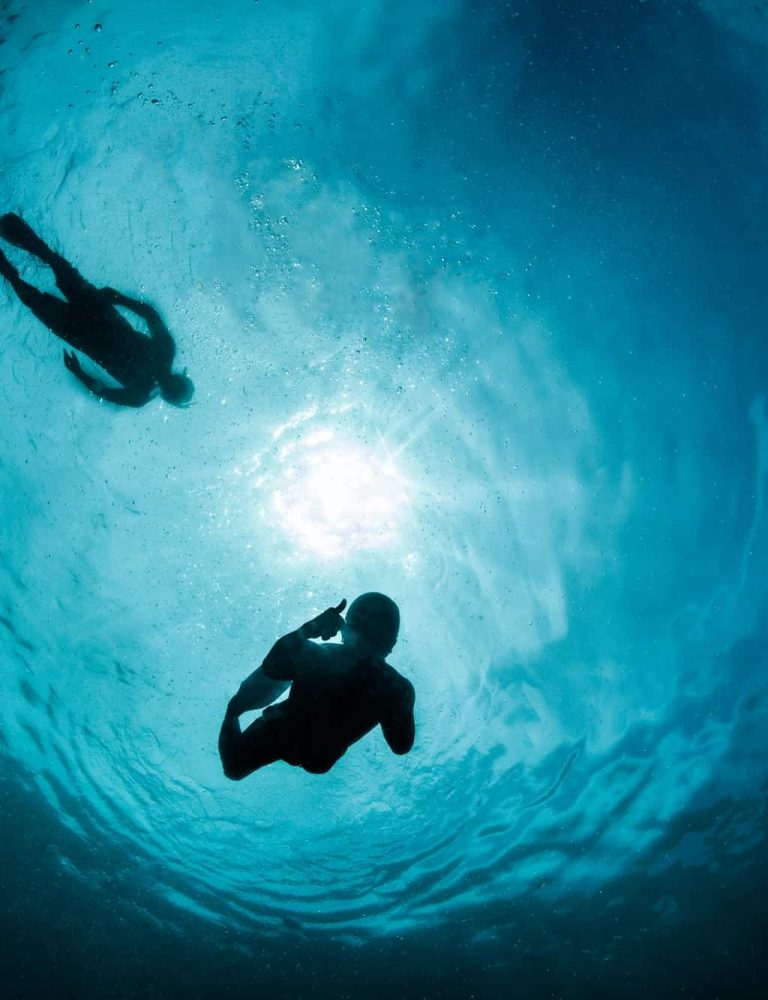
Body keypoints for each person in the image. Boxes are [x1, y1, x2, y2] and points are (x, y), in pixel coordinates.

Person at [0, 212, 193, 407]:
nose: (169, 384)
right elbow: (150, 314)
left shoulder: (141, 394)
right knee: (57, 266)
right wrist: (120, 299)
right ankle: (10, 236)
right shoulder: (165, 352)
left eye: (171, 390)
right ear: (179, 378)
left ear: (167, 395)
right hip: (97, 312)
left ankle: (7, 267)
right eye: (176, 384)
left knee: (35, 295)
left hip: (82, 332)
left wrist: (79, 372)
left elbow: (103, 392)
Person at [219, 593, 415, 779]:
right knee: (234, 766)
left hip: (292, 736)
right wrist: (309, 629)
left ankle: (237, 705)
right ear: (390, 644)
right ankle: (237, 706)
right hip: (295, 738)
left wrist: (309, 630)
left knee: (234, 767)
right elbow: (401, 745)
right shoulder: (394, 687)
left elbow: (401, 746)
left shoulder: (393, 688)